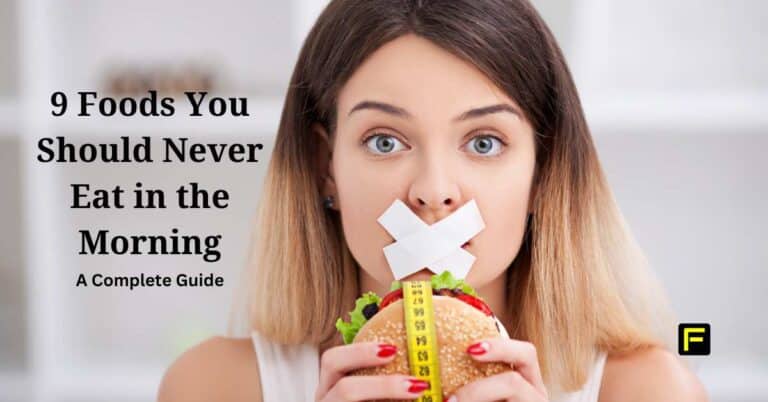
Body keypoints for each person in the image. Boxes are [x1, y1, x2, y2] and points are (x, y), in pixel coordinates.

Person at [158, 0, 710, 401]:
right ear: (327, 168)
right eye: (385, 141)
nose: (433, 191)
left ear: (543, 173)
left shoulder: (646, 390)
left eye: (484, 142)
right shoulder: (215, 386)